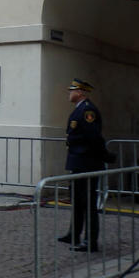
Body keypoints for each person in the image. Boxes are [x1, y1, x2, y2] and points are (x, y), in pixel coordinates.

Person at [58, 78, 106, 253]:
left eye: (72, 91)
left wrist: (104, 156)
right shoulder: (79, 110)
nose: (69, 93)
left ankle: (90, 241)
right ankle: (74, 234)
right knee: (78, 201)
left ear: (81, 93)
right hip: (79, 162)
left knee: (88, 203)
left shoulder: (88, 111)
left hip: (87, 163)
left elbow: (93, 137)